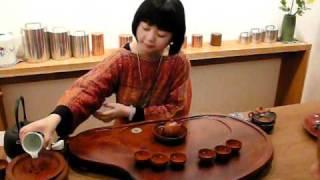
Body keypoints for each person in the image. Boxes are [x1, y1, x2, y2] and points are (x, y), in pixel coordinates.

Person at [19, 0, 192, 146]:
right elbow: (88, 89)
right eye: (145, 28)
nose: (149, 38)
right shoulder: (122, 59)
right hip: (125, 138)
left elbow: (177, 108)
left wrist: (130, 112)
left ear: (173, 37)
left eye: (161, 34)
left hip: (166, 139)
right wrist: (55, 117)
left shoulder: (178, 62)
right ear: (137, 23)